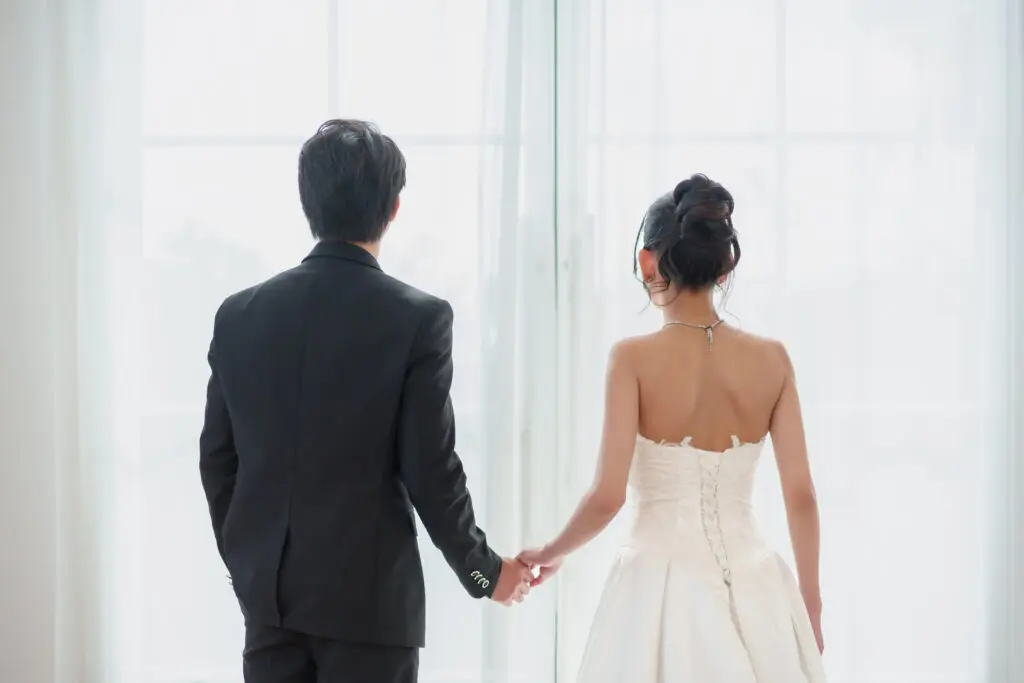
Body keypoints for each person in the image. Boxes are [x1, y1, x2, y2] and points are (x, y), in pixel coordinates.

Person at [199, 119, 532, 683]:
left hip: (269, 608)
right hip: (371, 611)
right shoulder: (418, 319)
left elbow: (218, 461)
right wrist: (483, 571)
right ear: (394, 207)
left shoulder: (239, 315)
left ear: (307, 200)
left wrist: (253, 566)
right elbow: (431, 469)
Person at [518, 174, 827, 682]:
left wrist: (551, 553)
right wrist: (809, 606)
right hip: (760, 590)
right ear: (727, 264)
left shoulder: (632, 360)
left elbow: (606, 496)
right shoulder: (773, 360)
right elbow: (802, 496)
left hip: (657, 590)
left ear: (648, 262)